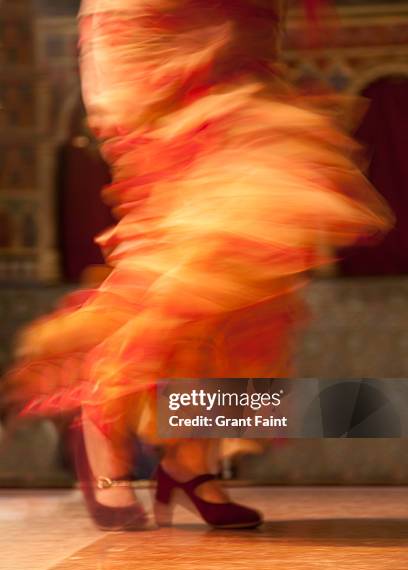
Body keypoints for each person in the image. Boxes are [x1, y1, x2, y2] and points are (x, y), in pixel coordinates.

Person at [6, 0, 392, 530]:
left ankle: (189, 461)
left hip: (241, 35)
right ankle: (106, 420)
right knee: (213, 247)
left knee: (257, 281)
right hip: (158, 31)